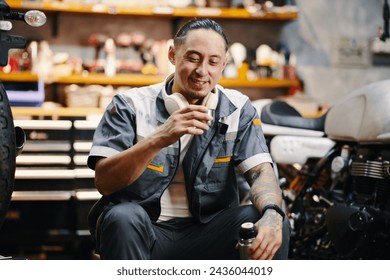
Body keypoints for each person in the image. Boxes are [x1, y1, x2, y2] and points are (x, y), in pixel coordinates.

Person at [87, 18, 290, 260]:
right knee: (122, 216)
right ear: (173, 55)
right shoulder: (129, 105)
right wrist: (160, 137)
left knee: (272, 222)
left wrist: (273, 213)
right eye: (193, 58)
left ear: (224, 64)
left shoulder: (237, 109)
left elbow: (260, 172)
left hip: (209, 232)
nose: (203, 71)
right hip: (145, 230)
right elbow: (105, 182)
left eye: (213, 62)